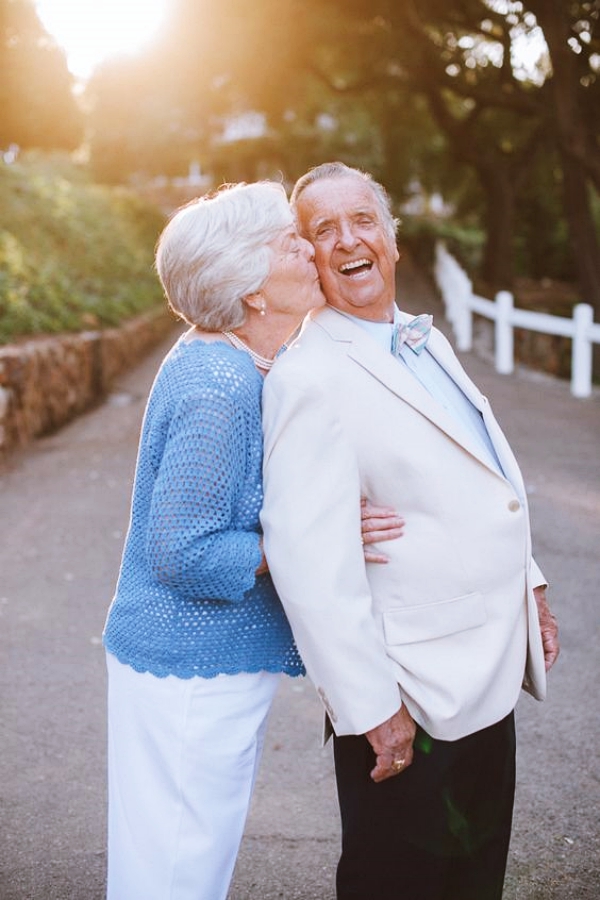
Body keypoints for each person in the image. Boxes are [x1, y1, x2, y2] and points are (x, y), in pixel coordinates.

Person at [260, 162, 560, 900]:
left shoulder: (422, 338)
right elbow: (311, 570)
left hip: (488, 671)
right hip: (410, 696)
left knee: (476, 873)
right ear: (307, 255)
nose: (347, 240)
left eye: (362, 219)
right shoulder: (308, 378)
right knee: (398, 880)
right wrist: (372, 710)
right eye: (322, 230)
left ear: (391, 239)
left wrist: (533, 587)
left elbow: (481, 478)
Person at [102, 180, 404, 900]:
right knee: (174, 870)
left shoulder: (241, 361)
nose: (309, 248)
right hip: (189, 670)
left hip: (201, 668)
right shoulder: (220, 383)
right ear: (250, 288)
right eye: (287, 242)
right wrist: (312, 536)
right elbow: (181, 549)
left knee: (183, 862)